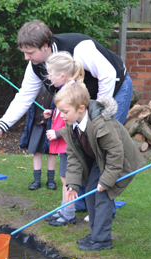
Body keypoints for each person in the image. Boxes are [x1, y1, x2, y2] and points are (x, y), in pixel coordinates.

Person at [0, 19, 132, 143]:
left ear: (45, 46)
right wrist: (0, 128)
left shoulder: (78, 47)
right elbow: (24, 97)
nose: (26, 58)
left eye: (30, 53)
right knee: (86, 149)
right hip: (85, 102)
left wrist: (96, 113)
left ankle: (112, 176)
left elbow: (108, 75)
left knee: (104, 142)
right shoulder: (35, 66)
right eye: (24, 53)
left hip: (116, 88)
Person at [54, 82, 145, 251]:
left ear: (81, 108)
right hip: (100, 159)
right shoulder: (71, 126)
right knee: (90, 193)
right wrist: (72, 185)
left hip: (119, 162)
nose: (62, 115)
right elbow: (73, 157)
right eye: (60, 111)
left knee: (102, 196)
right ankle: (95, 234)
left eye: (65, 111)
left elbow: (116, 154)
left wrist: (106, 181)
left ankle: (102, 240)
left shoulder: (102, 124)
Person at [43, 51, 86, 226]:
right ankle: (63, 210)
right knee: (64, 178)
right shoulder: (66, 88)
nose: (48, 78)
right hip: (65, 142)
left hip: (69, 142)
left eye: (50, 74)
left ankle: (68, 214)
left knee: (67, 179)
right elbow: (64, 113)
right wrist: (51, 113)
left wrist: (57, 133)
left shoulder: (72, 91)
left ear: (62, 75)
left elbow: (75, 119)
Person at [20, 86, 57, 190]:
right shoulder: (34, 84)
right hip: (36, 124)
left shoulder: (56, 86)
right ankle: (36, 181)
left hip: (51, 126)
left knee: (51, 152)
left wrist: (53, 112)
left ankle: (51, 180)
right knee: (36, 152)